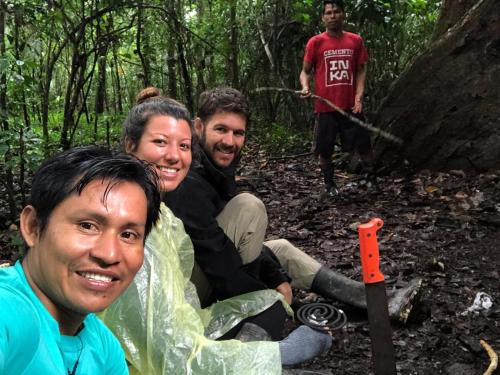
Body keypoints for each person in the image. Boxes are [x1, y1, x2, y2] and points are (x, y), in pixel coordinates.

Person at [101, 87, 332, 374]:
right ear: (130, 145)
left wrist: (275, 284)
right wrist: (277, 353)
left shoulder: (160, 210)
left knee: (269, 302)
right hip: (130, 348)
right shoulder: (126, 214)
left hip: (179, 308)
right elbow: (160, 345)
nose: (174, 156)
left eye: (183, 146)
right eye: (160, 142)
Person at [165, 87, 421, 328]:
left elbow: (222, 244)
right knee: (249, 207)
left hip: (208, 264)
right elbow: (218, 260)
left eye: (238, 133)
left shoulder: (214, 168)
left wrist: (276, 276)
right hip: (186, 294)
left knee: (282, 250)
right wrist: (269, 297)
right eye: (221, 129)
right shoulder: (189, 179)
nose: (230, 141)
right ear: (198, 127)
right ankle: (249, 313)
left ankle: (376, 300)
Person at [0, 146, 161, 374]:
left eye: (128, 235)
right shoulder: (7, 312)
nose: (109, 254)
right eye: (87, 226)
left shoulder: (105, 349)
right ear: (33, 226)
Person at [300, 0, 373, 196]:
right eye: (329, 13)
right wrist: (306, 87)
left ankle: (369, 178)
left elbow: (360, 71)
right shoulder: (316, 42)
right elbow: (305, 72)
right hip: (325, 106)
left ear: (343, 15)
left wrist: (359, 97)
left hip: (351, 105)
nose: (333, 16)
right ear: (323, 17)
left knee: (364, 143)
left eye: (336, 12)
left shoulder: (355, 41)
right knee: (325, 149)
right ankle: (330, 185)